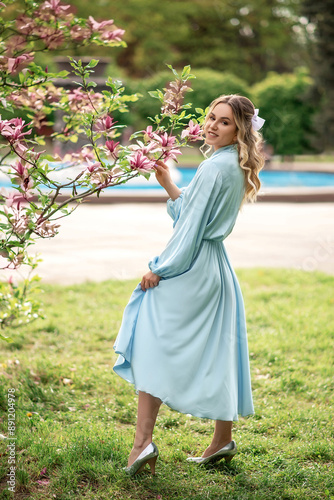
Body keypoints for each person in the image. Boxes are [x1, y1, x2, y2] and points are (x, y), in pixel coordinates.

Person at [113, 94, 266, 476]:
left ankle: (141, 444)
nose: (212, 125)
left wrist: (161, 268)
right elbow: (194, 216)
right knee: (218, 349)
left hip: (193, 266)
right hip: (215, 268)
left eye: (224, 121)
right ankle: (222, 440)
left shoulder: (215, 168)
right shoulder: (229, 164)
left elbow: (190, 230)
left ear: (240, 129)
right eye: (211, 118)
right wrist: (168, 184)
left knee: (151, 341)